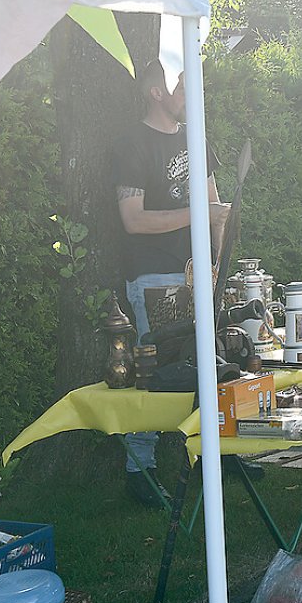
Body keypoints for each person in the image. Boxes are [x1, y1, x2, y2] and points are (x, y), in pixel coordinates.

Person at [113, 59, 228, 506]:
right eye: (183, 87)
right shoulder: (132, 144)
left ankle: (220, 456)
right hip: (155, 276)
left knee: (211, 364)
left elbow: (215, 203)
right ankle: (139, 471)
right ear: (156, 93)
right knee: (157, 371)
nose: (191, 97)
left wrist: (216, 260)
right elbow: (133, 219)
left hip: (199, 272)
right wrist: (199, 216)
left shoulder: (195, 137)